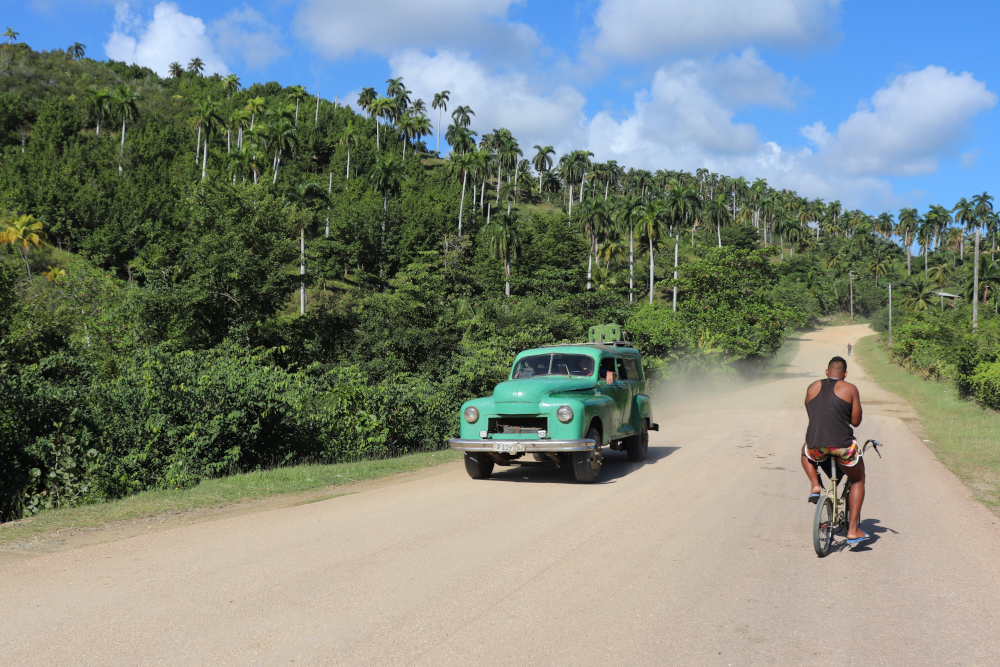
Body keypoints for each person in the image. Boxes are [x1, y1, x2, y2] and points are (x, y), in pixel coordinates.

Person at [801, 356, 868, 546]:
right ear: (845, 374)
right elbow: (855, 422)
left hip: (817, 446)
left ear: (826, 372)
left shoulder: (813, 386)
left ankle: (815, 485)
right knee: (858, 479)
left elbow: (813, 413)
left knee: (805, 452)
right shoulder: (850, 388)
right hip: (842, 446)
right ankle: (853, 530)